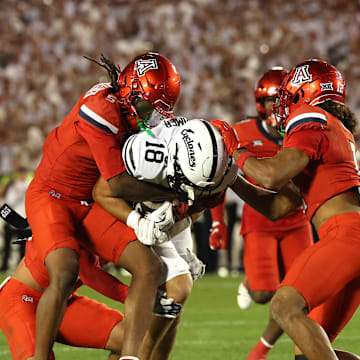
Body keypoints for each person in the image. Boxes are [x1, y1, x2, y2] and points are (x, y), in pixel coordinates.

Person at [24, 52, 183, 360]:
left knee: (149, 268)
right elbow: (118, 183)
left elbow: (107, 187)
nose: (150, 117)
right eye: (147, 106)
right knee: (65, 271)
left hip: (88, 200)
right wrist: (174, 191)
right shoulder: (101, 108)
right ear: (130, 90)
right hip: (52, 195)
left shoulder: (128, 109)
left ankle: (130, 357)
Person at [212, 59, 360, 360]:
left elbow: (272, 174)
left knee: (284, 306)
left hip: (345, 234)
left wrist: (234, 149)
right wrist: (232, 179)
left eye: (288, 95)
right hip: (350, 236)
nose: (283, 104)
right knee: (307, 353)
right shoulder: (331, 127)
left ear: (303, 93)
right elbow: (280, 206)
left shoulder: (310, 117)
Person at [92, 118, 238, 359]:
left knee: (173, 305)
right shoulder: (146, 152)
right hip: (136, 208)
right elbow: (102, 191)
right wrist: (137, 222)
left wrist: (180, 226)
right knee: (178, 289)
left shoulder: (219, 168)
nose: (192, 190)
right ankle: (137, 355)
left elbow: (196, 204)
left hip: (167, 214)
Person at [209, 67, 314, 360]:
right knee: (263, 294)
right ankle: (250, 283)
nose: (276, 107)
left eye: (282, 99)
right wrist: (218, 221)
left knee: (300, 296)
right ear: (260, 103)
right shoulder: (242, 132)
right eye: (270, 101)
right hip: (260, 218)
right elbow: (218, 174)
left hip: (297, 220)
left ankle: (259, 352)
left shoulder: (305, 129)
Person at [0, 238, 129, 360]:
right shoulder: (84, 219)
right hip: (23, 299)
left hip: (59, 302)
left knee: (131, 339)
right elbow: (89, 273)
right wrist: (138, 297)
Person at [1, 167, 32, 272]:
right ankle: (4, 266)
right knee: (7, 245)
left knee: (23, 247)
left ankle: (22, 267)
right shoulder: (13, 186)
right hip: (13, 219)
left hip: (26, 220)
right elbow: (9, 202)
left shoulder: (30, 184)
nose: (22, 175)